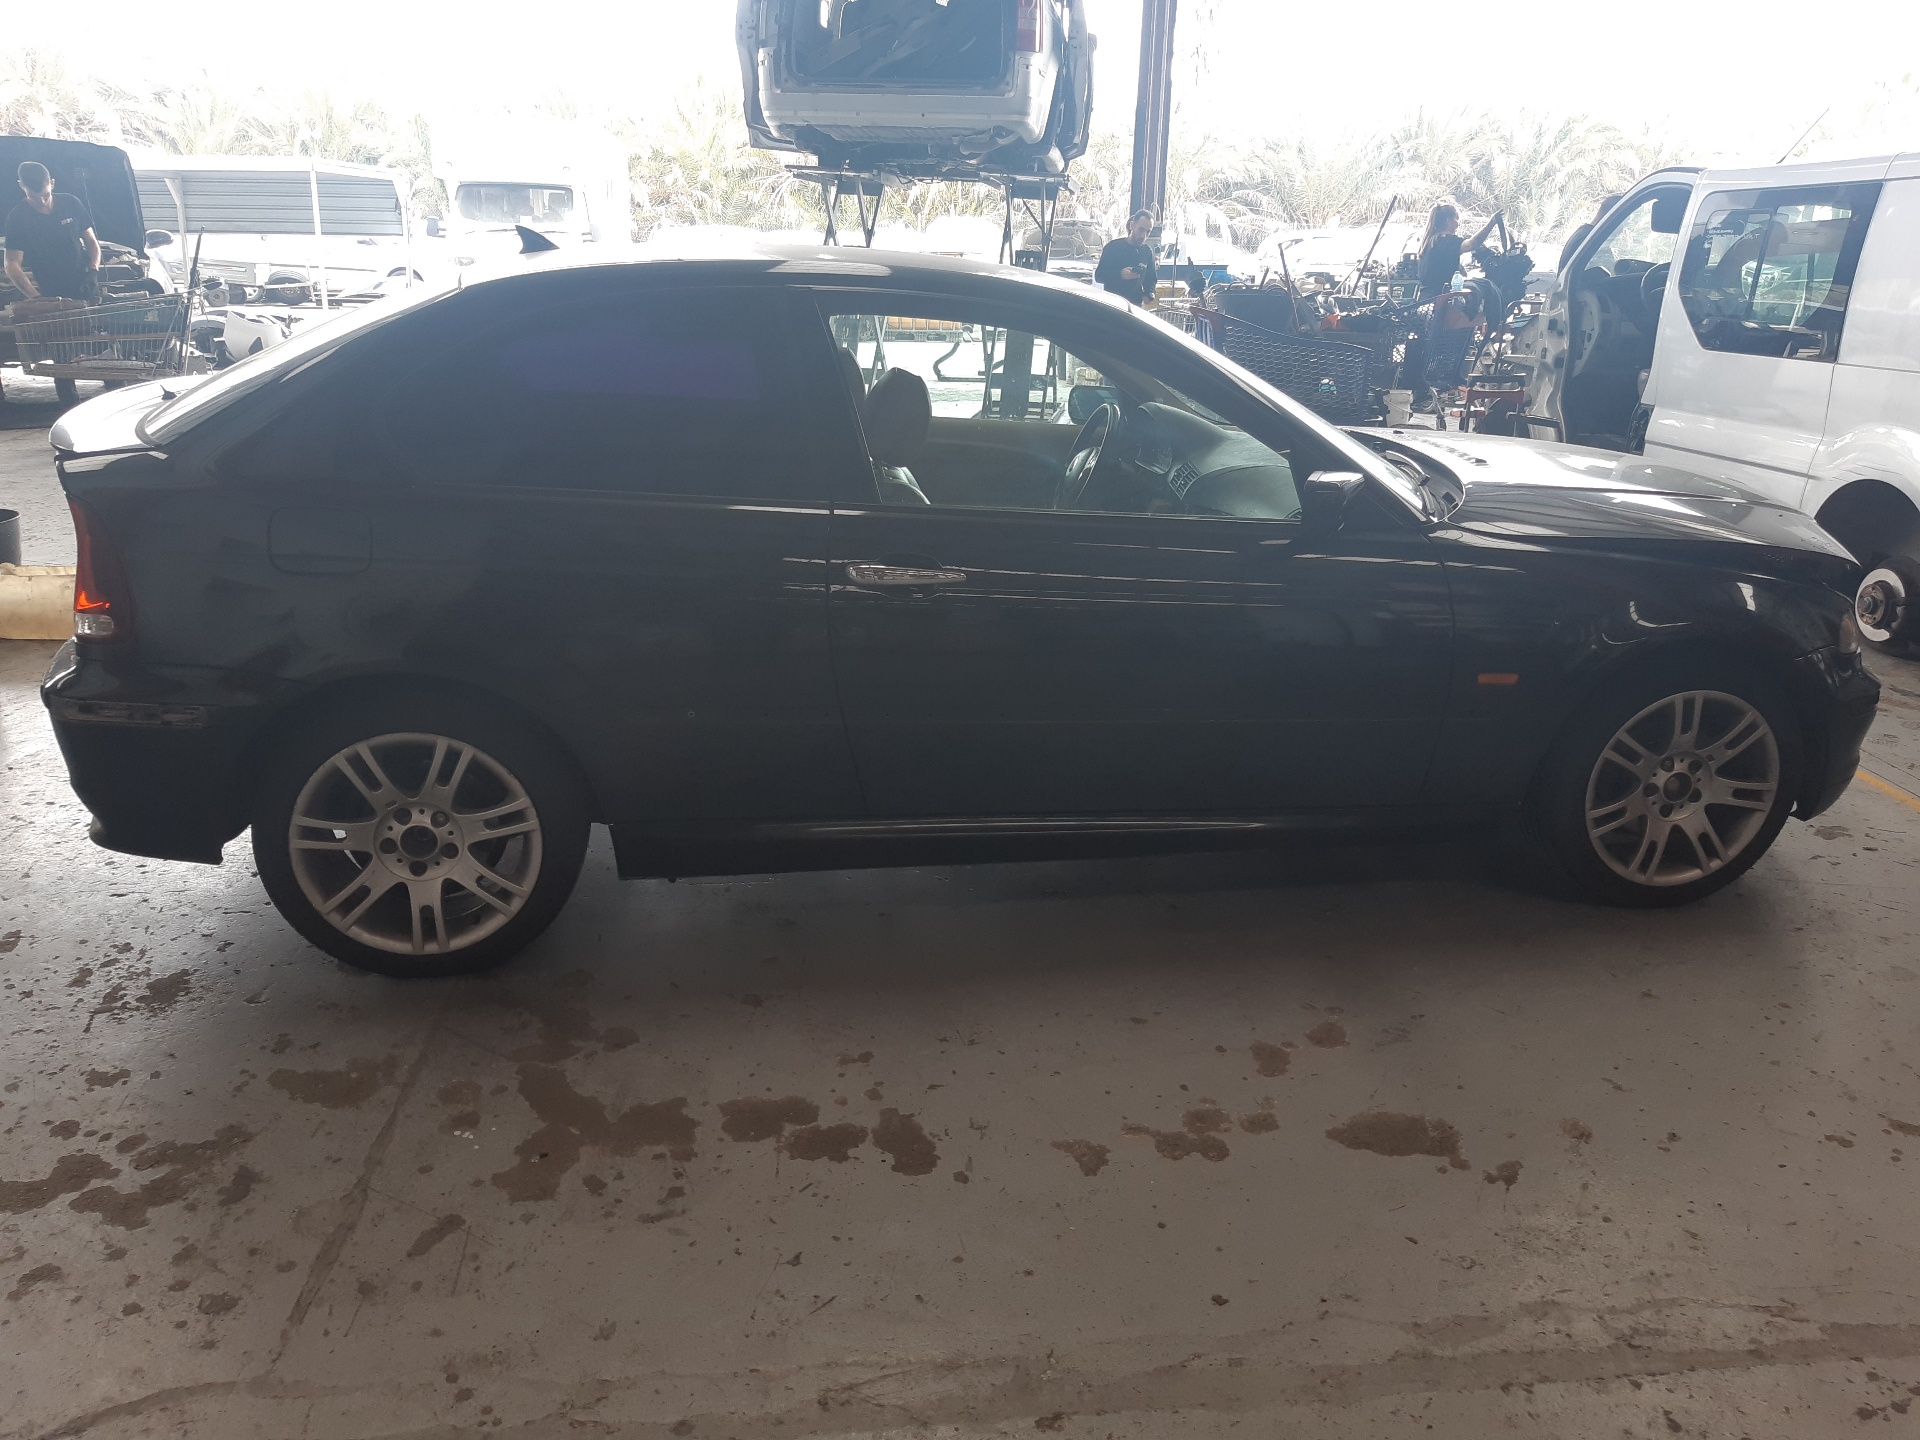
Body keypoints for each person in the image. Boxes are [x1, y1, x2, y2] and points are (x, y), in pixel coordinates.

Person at [1401, 202, 1500, 410]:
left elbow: (1453, 269)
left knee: (1431, 348)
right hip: (1437, 304)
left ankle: (1432, 384)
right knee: (1437, 349)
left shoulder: (1430, 242)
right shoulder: (1445, 241)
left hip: (1426, 302)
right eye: (1455, 218)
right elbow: (1472, 244)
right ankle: (1431, 385)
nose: (1457, 223)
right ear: (1447, 220)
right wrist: (1491, 223)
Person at [3, 161, 101, 304]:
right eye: (34, 197)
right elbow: (11, 263)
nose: (42, 202)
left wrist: (93, 270)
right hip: (50, 294)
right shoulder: (17, 218)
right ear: (21, 185)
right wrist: (35, 297)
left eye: (46, 195)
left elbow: (91, 241)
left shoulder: (71, 203)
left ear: (52, 183)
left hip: (85, 285)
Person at [1096, 210, 1158, 306]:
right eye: (1141, 230)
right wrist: (1120, 274)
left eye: (1148, 232)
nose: (1144, 236)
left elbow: (1151, 280)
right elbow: (1099, 276)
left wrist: (1149, 294)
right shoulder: (1113, 247)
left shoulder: (1147, 252)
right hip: (1112, 304)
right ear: (1132, 226)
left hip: (1135, 305)